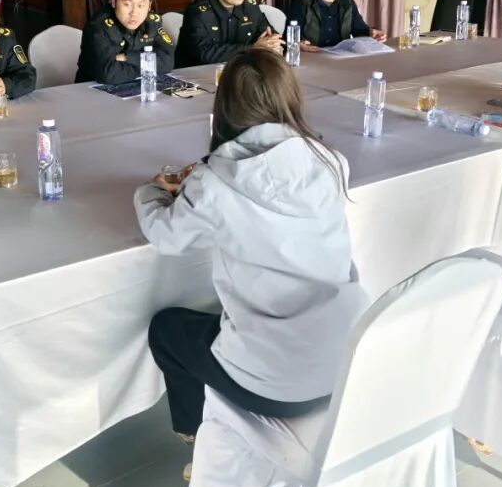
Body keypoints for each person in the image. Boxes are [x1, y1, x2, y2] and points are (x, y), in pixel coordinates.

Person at [136, 49, 369, 446]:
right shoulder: (331, 161)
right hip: (346, 357)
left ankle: (198, 441)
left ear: (224, 106)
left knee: (167, 330)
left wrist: (151, 192)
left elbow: (166, 235)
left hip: (274, 384)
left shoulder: (215, 181)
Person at [175, 0, 282, 67]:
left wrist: (273, 43)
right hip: (195, 74)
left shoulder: (250, 8)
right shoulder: (198, 12)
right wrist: (252, 48)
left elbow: (273, 36)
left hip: (238, 70)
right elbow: (204, 53)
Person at [75, 0, 175, 84]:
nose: (134, 13)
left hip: (133, 88)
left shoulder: (151, 23)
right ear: (114, 1)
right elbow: (109, 74)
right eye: (127, 4)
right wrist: (148, 64)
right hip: (90, 89)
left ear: (149, 6)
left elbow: (167, 62)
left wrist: (127, 57)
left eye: (140, 5)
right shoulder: (99, 27)